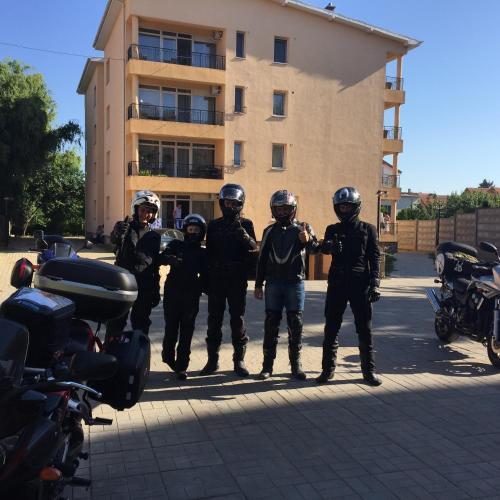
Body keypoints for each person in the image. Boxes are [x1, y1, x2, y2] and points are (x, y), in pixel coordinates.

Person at [316, 187, 382, 386]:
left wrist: (375, 283)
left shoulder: (368, 229)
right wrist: (329, 246)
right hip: (337, 284)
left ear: (356, 207)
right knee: (331, 328)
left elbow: (375, 258)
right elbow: (323, 248)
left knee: (364, 329)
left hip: (360, 285)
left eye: (348, 206)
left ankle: (368, 372)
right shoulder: (332, 229)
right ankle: (327, 370)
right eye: (341, 206)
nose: (344, 210)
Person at [254, 190, 319, 380]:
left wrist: (307, 240)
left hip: (295, 283)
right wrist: (258, 284)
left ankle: (296, 366)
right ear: (273, 210)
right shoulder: (269, 231)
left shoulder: (303, 227)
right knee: (271, 324)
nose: (282, 212)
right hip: (273, 283)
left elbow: (315, 250)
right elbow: (262, 259)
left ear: (293, 209)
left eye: (286, 209)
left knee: (295, 324)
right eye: (279, 209)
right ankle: (267, 366)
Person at [200, 183, 258, 377]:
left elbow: (254, 251)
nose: (230, 206)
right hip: (216, 279)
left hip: (236, 280)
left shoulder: (246, 224)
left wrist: (246, 238)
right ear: (222, 203)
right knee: (213, 320)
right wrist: (205, 280)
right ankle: (212, 360)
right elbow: (208, 254)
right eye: (227, 202)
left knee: (237, 320)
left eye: (234, 203)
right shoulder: (213, 225)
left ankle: (239, 360)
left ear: (240, 204)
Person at [159, 214, 208, 380]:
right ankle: (167, 355)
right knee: (171, 327)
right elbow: (161, 257)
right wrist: (170, 258)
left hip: (191, 295)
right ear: (185, 230)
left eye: (196, 230)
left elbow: (206, 274)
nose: (192, 232)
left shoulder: (202, 253)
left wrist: (204, 286)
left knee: (187, 331)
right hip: (172, 292)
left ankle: (182, 366)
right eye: (190, 229)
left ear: (201, 232)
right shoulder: (176, 244)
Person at [106, 190, 161, 337]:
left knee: (141, 324)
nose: (146, 214)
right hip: (123, 283)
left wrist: (155, 289)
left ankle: (138, 349)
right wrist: (117, 232)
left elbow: (155, 264)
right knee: (116, 322)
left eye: (150, 211)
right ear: (136, 209)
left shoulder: (154, 236)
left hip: (144, 286)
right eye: (143, 210)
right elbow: (113, 241)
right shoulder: (124, 227)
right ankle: (110, 348)